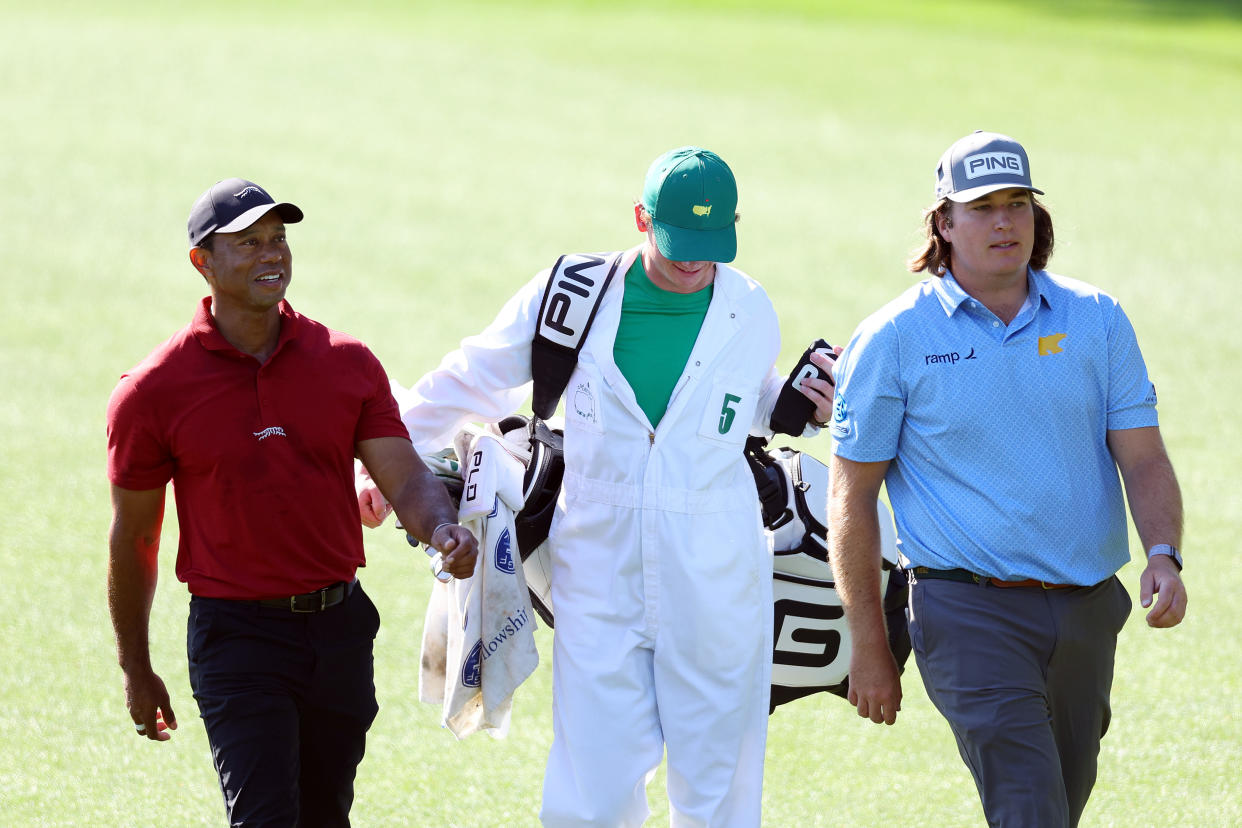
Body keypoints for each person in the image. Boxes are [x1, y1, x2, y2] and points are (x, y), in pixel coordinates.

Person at [357, 147, 835, 826]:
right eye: (677, 244)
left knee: (721, 792)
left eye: (710, 244)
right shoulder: (570, 295)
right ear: (640, 218)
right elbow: (465, 379)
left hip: (717, 576)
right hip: (597, 572)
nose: (695, 262)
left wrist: (791, 406)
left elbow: (731, 404)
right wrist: (373, 465)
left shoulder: (748, 308)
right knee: (593, 792)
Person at [828, 131, 1187, 827]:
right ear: (943, 223)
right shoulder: (893, 339)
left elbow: (1143, 457)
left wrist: (1165, 555)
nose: (1004, 222)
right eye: (983, 206)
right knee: (1029, 807)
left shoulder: (1096, 319)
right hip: (967, 613)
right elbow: (853, 498)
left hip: (1088, 611)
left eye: (1017, 203)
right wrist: (868, 644)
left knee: (1058, 799)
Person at [106, 178, 478, 827]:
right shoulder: (153, 392)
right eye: (248, 243)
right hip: (237, 638)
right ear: (203, 261)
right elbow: (134, 539)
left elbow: (406, 477)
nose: (270, 254)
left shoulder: (346, 364)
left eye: (278, 239)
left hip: (339, 631)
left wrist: (443, 528)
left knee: (325, 815)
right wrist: (136, 669)